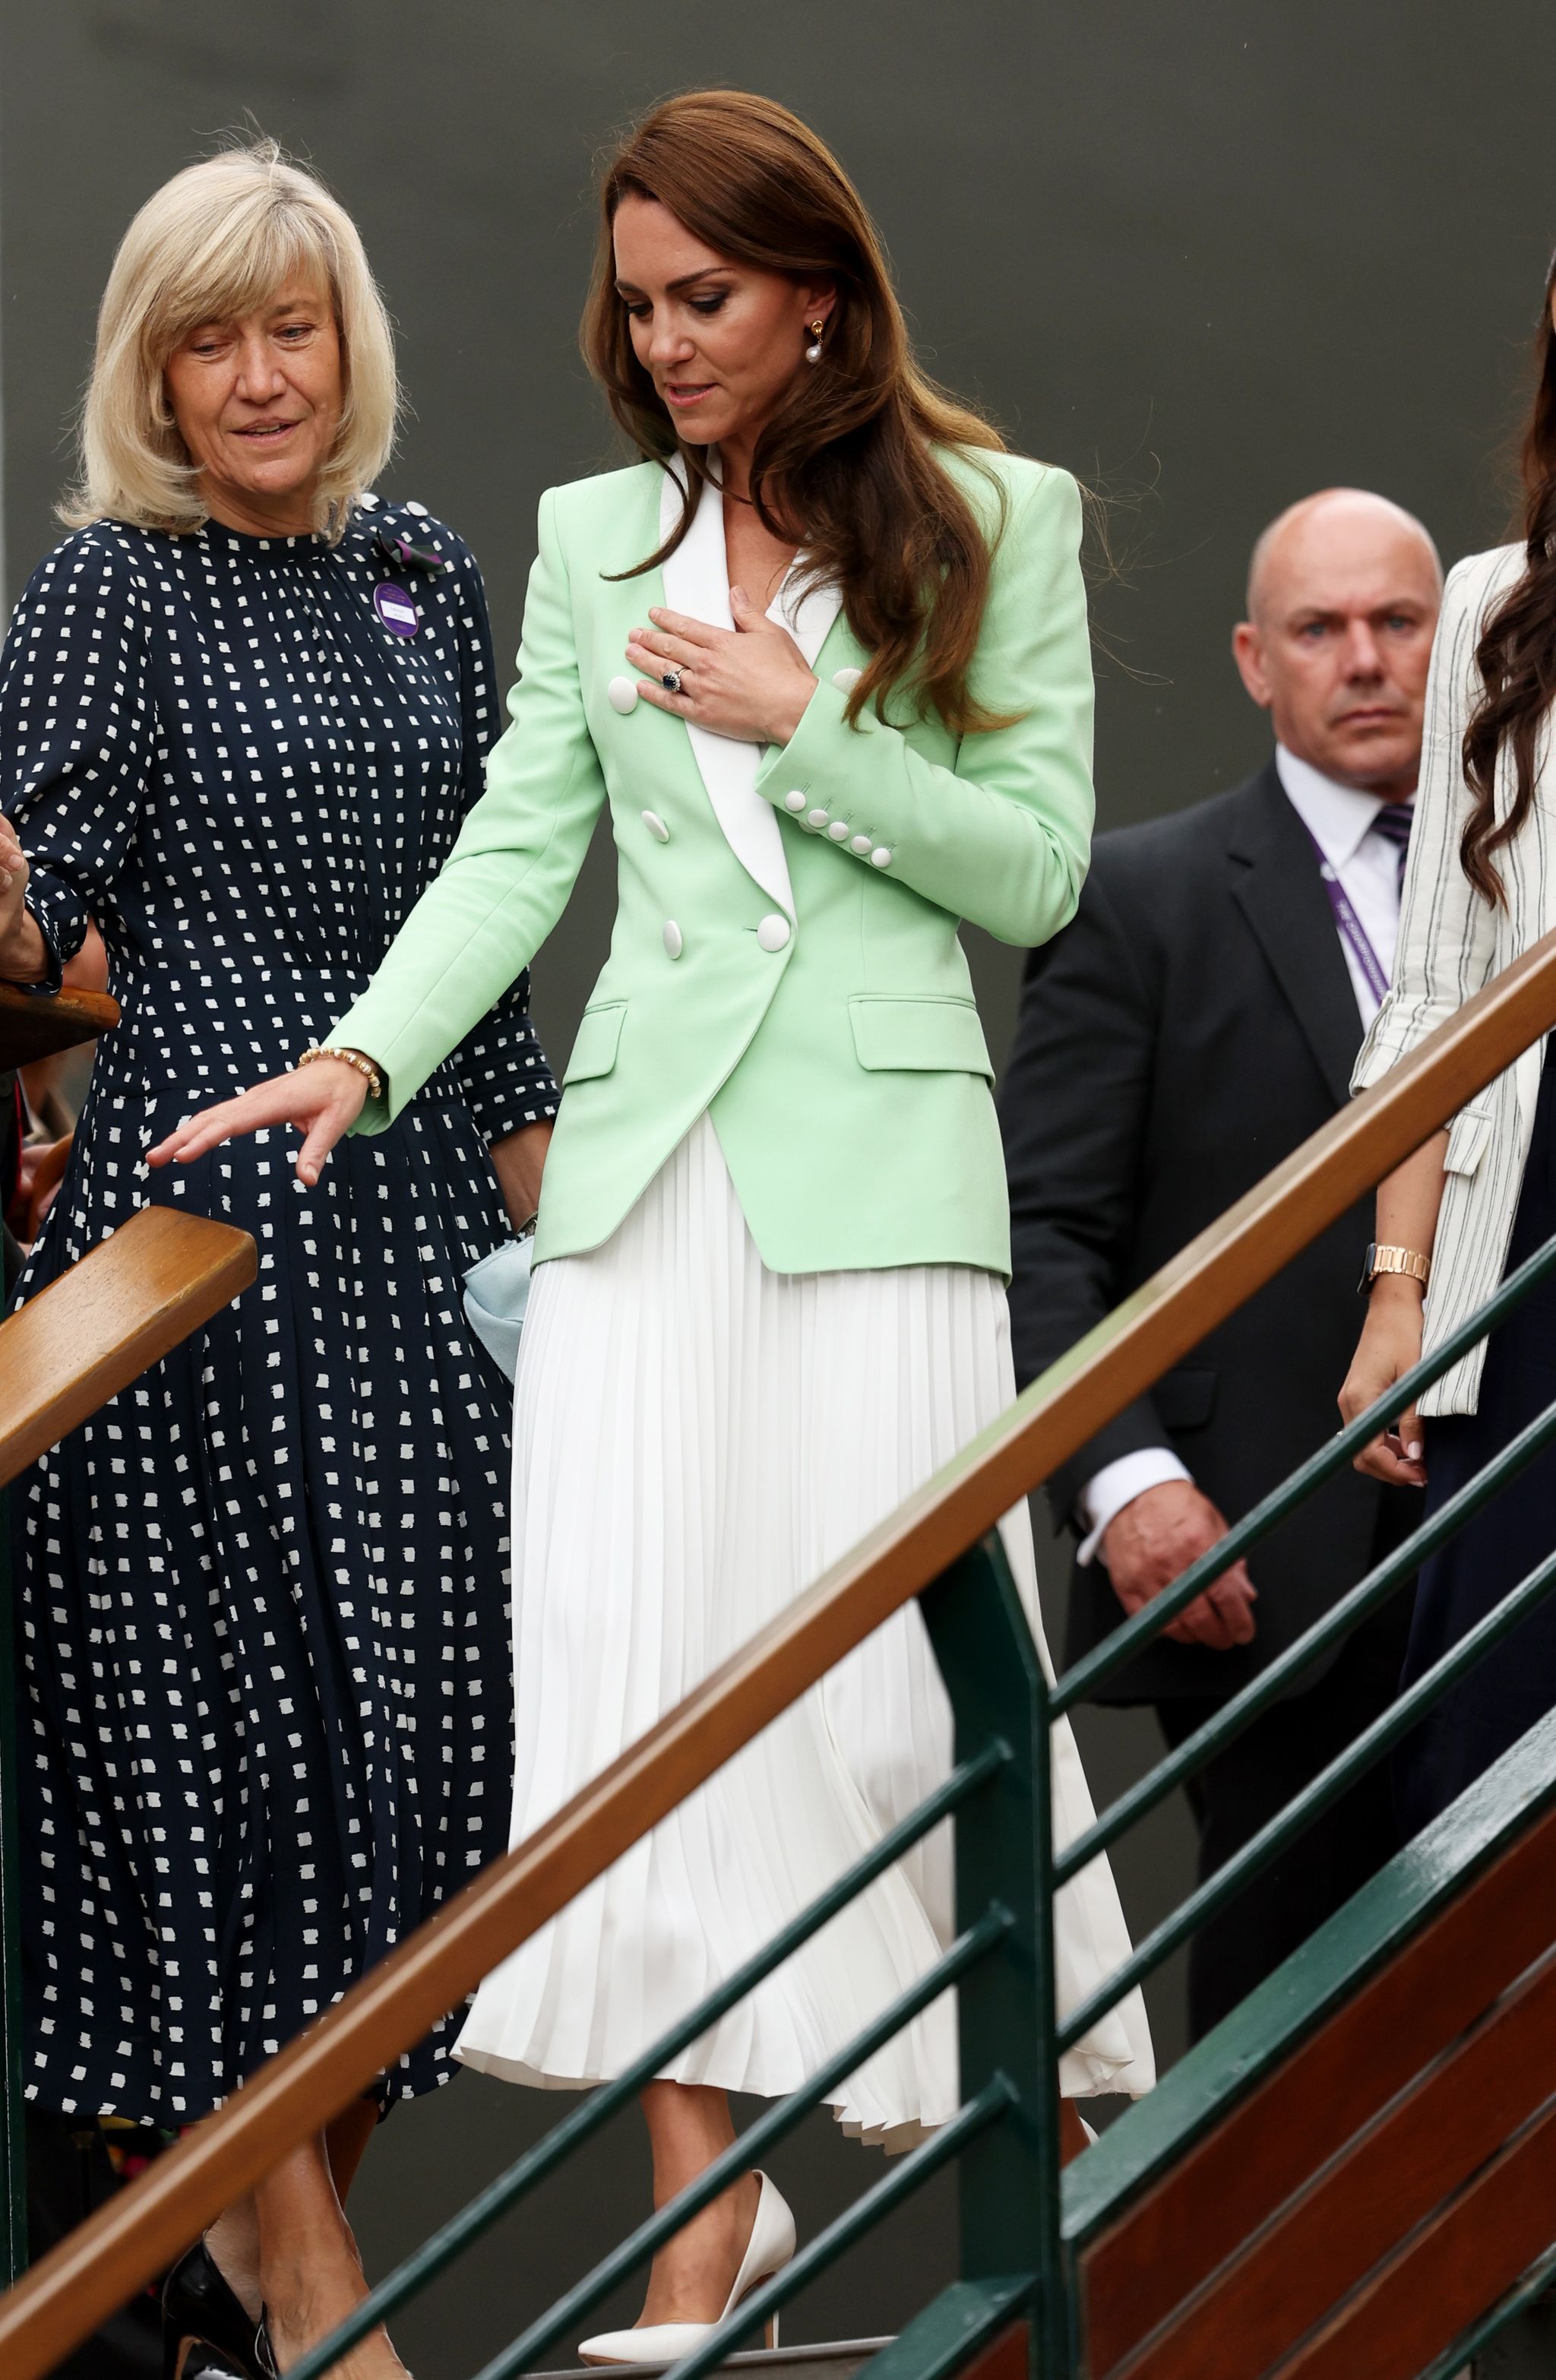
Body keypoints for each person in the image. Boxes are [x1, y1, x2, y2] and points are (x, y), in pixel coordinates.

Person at [152, 88, 1154, 2366]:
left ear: (819, 294)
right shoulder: (592, 536)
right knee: (650, 1700)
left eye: (706, 297)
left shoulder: (1002, 516)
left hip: (883, 1184)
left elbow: (1036, 870)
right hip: (635, 1190)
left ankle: (1079, 2128)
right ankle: (704, 2246)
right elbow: (519, 857)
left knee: (906, 1693)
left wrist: (809, 721)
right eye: (637, 304)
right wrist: (363, 1058)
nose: (667, 341)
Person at [0, 141, 558, 2380]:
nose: (257, 376)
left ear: (352, 343)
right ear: (151, 370)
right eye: (206, 340)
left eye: (291, 327)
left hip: (415, 1229)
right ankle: (296, 2274)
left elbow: (492, 948)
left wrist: (566, 1231)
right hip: (197, 1243)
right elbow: (33, 935)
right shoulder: (116, 584)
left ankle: (272, 2232)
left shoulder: (426, 567)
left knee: (433, 1772)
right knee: (217, 1767)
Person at [1001, 489, 1441, 2040]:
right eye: (1321, 630)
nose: (1366, 660)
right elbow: (1042, 1238)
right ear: (1256, 662)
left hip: (1509, 1518)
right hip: (1259, 1554)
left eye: (1401, 621)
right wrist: (1125, 1484)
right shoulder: (1140, 902)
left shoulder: (1523, 886)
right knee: (1283, 2019)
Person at [1342, 252, 1556, 1843]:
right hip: (1522, 1214)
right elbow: (1428, 985)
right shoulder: (1491, 601)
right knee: (1483, 1721)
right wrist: (1397, 1291)